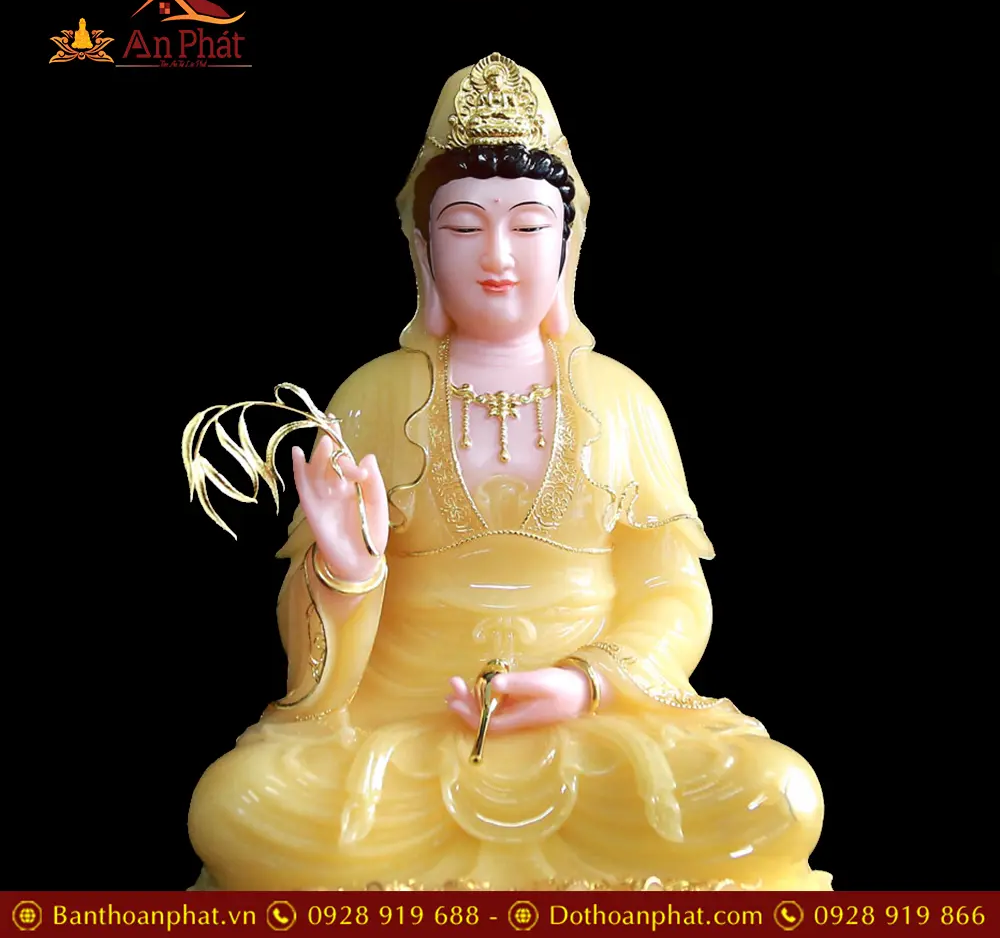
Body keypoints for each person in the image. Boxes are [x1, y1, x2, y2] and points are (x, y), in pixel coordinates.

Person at [187, 53, 830, 892]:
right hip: (409, 728)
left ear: (567, 242)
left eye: (528, 227)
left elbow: (674, 596)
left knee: (777, 797)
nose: (498, 256)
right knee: (238, 807)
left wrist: (584, 684)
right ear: (424, 248)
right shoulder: (373, 396)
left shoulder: (622, 398)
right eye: (463, 227)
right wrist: (346, 574)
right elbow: (311, 664)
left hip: (595, 731)